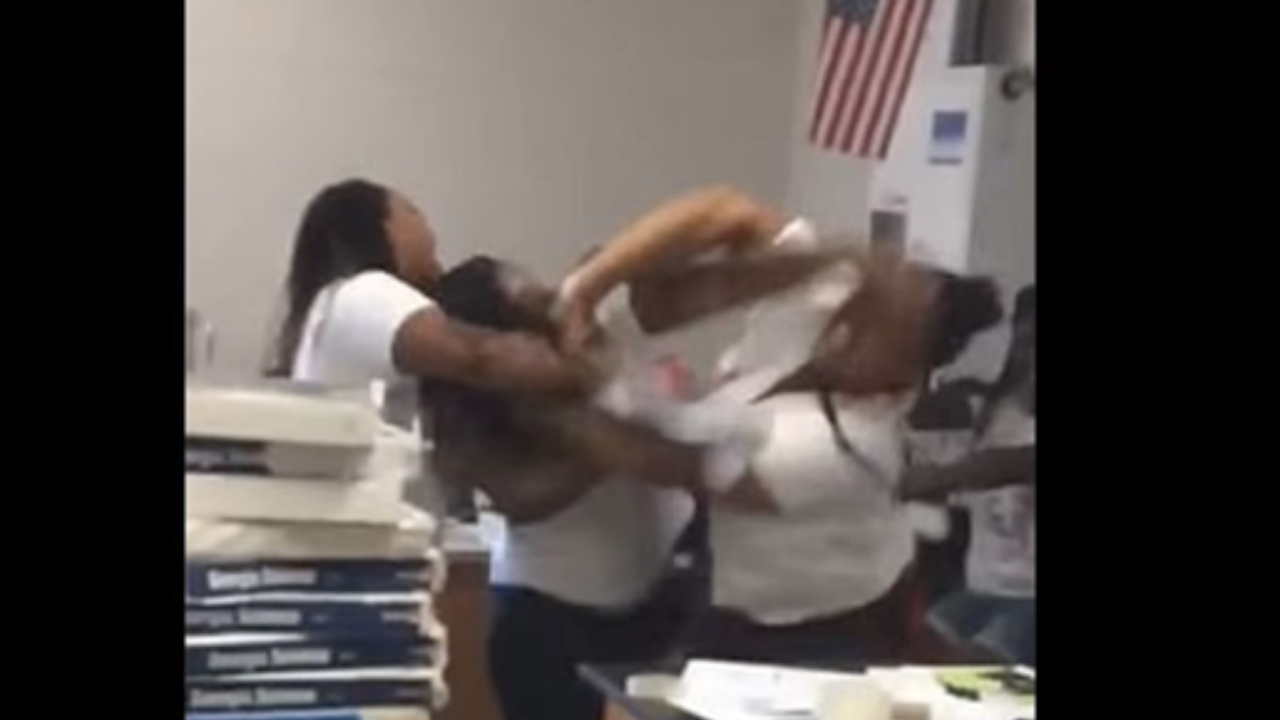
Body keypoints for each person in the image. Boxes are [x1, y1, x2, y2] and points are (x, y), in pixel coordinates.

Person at [556, 196, 1005, 665]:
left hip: (817, 637)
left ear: (908, 363)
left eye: (869, 321)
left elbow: (666, 458)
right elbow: (724, 211)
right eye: (855, 306)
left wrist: (582, 374)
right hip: (737, 598)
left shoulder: (845, 445)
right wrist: (586, 288)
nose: (843, 327)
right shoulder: (830, 309)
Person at [423, 256, 698, 720]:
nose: (552, 309)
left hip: (653, 607)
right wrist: (617, 429)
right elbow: (527, 497)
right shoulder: (484, 417)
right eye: (530, 308)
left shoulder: (595, 352)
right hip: (549, 623)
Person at [266, 178, 596, 430]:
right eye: (412, 212)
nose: (428, 228)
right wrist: (594, 373)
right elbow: (479, 356)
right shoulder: (364, 292)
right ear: (384, 228)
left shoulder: (333, 308)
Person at [901, 285, 1036, 666]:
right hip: (982, 587)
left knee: (973, 671)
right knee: (916, 657)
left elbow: (1007, 465)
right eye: (1027, 342)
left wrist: (936, 478)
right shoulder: (993, 410)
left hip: (1029, 599)